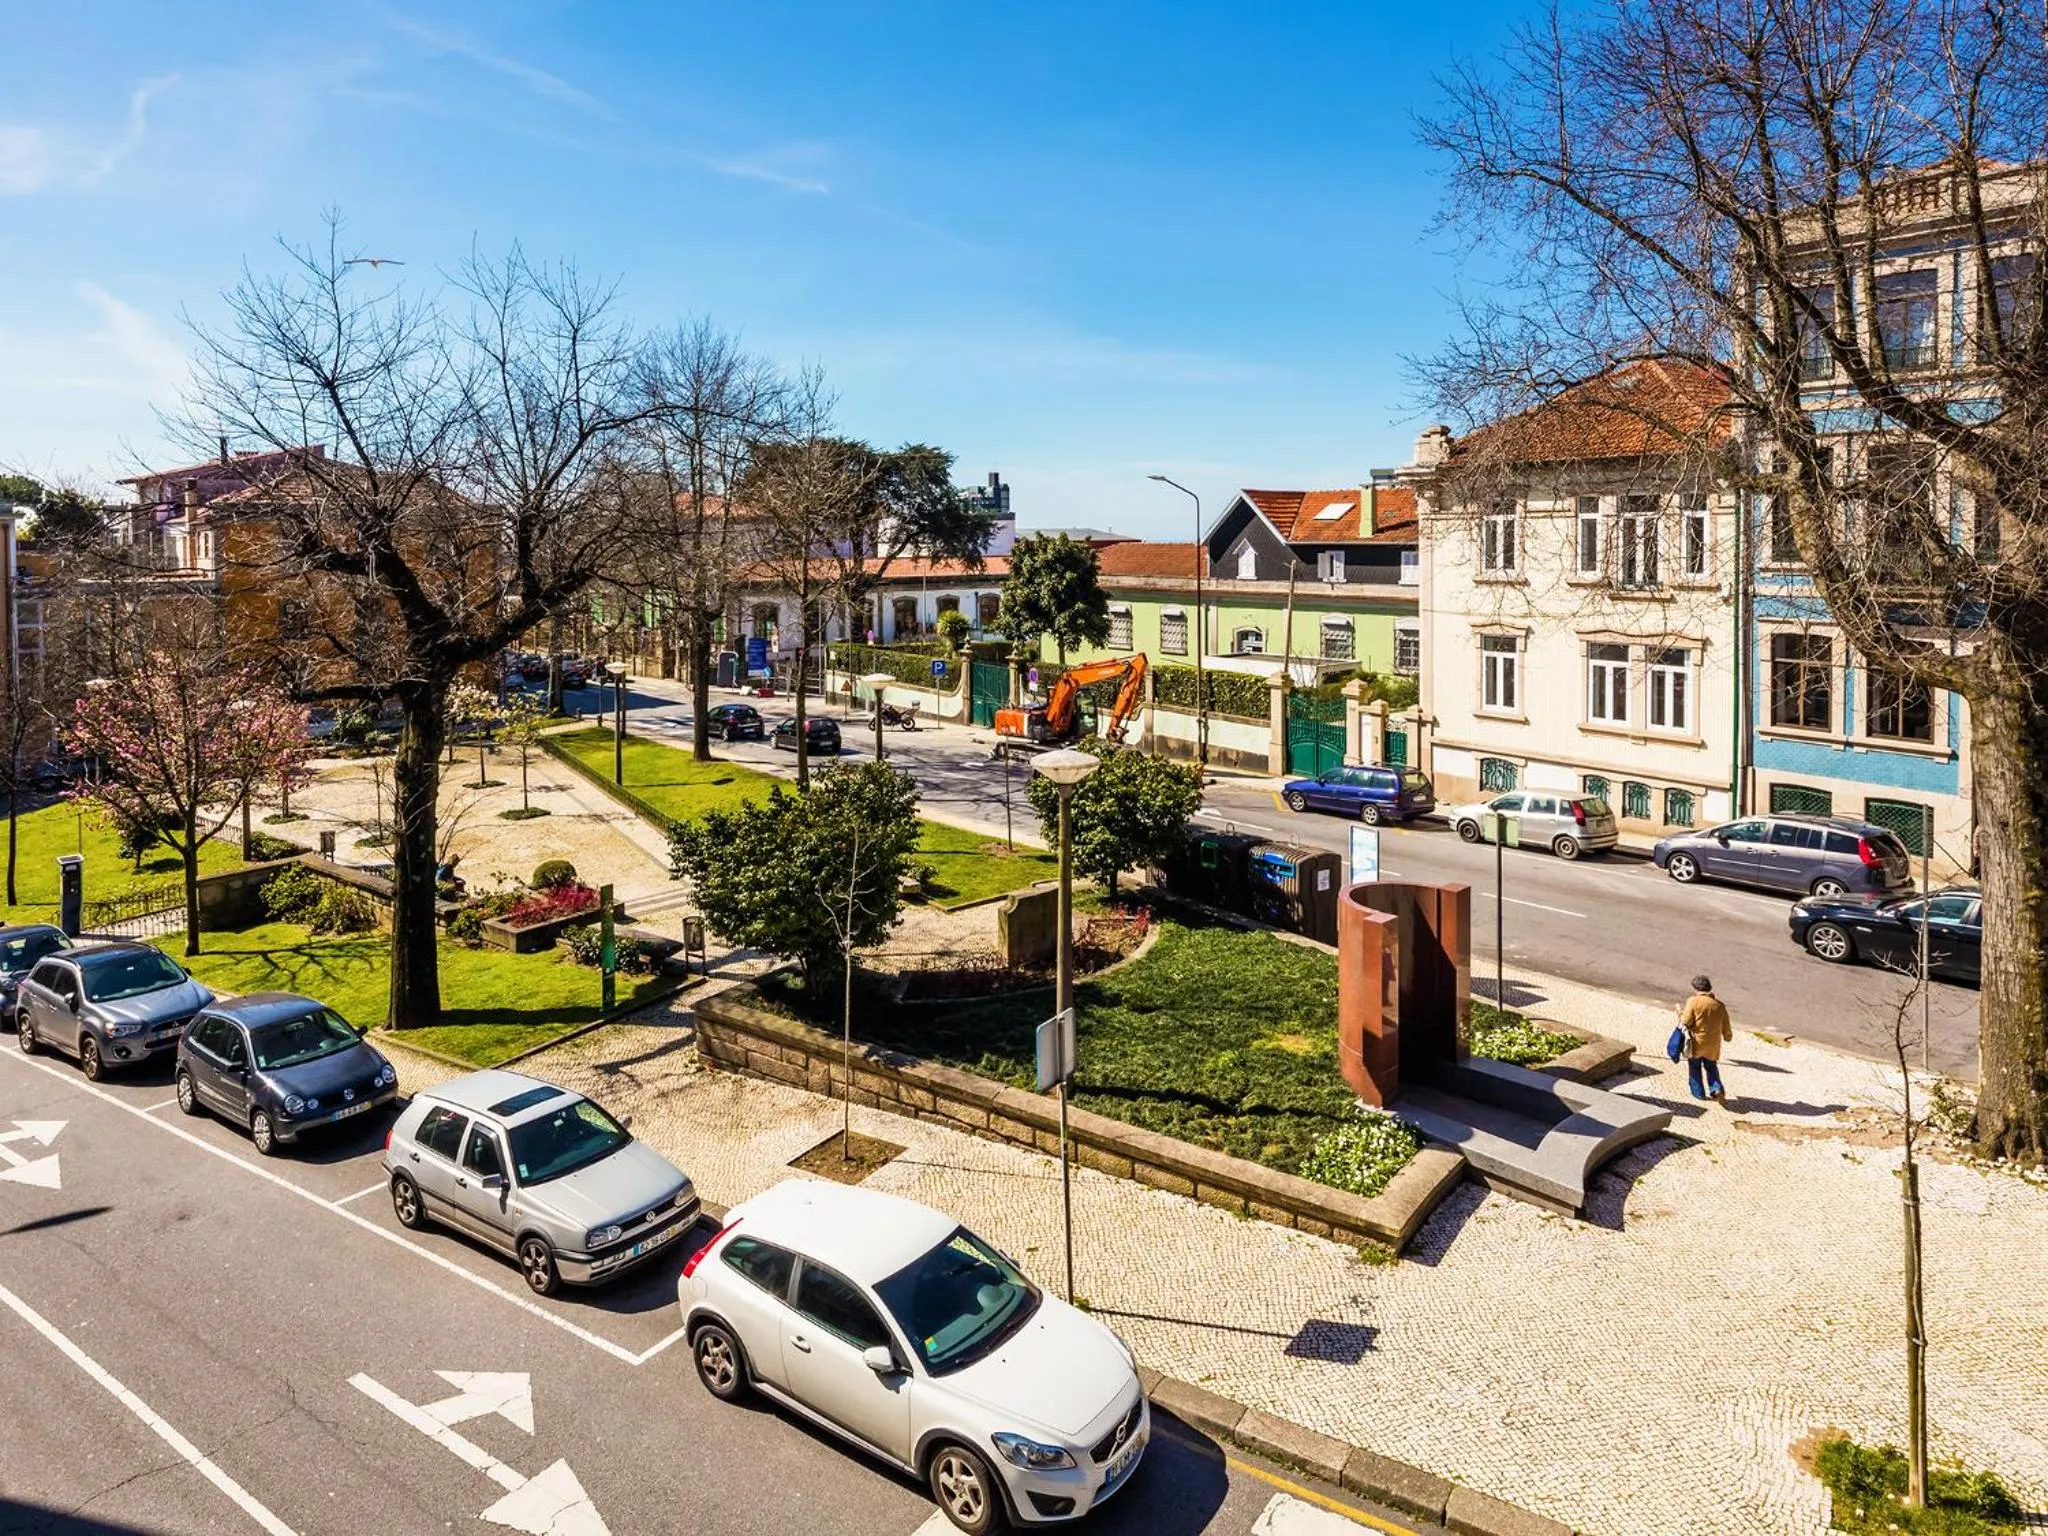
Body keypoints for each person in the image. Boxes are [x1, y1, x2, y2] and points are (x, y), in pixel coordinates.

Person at [1677, 974, 1733, 1103]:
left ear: (1695, 988)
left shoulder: (1693, 1001)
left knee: (1695, 1067)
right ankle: (1716, 1088)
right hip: (1713, 1044)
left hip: (1696, 1042)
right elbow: (1726, 1025)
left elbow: (1686, 1021)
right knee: (1711, 1067)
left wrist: (1679, 1013)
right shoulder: (1720, 1005)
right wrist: (1727, 1036)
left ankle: (1698, 1093)